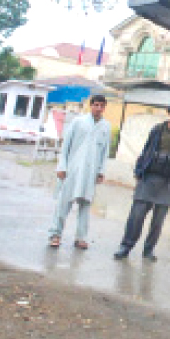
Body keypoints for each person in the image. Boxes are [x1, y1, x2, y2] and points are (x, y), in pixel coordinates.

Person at [114, 101, 170, 261]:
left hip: (169, 181)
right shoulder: (157, 130)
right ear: (169, 113)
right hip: (150, 176)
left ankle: (148, 250)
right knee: (136, 215)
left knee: (158, 220)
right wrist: (139, 170)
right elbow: (146, 150)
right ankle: (126, 246)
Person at [48, 95, 111, 249]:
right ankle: (55, 234)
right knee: (64, 204)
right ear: (91, 106)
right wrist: (62, 167)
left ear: (104, 108)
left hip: (90, 173)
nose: (98, 108)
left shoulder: (105, 126)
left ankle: (80, 238)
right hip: (73, 170)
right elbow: (66, 146)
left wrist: (101, 171)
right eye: (96, 105)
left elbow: (105, 151)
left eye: (101, 106)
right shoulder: (78, 122)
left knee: (85, 205)